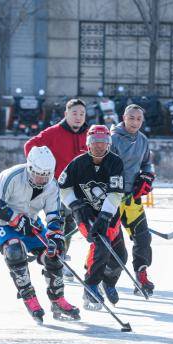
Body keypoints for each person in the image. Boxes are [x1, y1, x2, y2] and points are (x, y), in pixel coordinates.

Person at [0, 146, 79, 323]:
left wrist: (56, 236)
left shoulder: (52, 185)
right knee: (14, 250)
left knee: (54, 254)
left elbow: (53, 215)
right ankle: (28, 295)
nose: (42, 179)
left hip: (31, 222)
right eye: (38, 174)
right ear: (30, 168)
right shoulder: (11, 176)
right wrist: (15, 219)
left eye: (46, 175)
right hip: (2, 223)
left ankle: (57, 298)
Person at [58, 125, 127, 310]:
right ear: (88, 143)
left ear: (108, 144)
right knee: (101, 246)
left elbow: (115, 193)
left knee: (120, 257)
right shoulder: (77, 163)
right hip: (85, 214)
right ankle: (91, 285)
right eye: (95, 142)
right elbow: (63, 187)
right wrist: (74, 205)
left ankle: (109, 282)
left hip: (109, 215)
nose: (99, 146)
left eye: (103, 142)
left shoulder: (115, 163)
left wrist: (105, 216)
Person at [24, 98, 89, 280]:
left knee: (70, 224)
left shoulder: (89, 134)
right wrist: (39, 170)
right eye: (74, 113)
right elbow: (30, 146)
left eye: (82, 114)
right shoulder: (53, 133)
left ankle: (61, 256)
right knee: (57, 224)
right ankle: (53, 261)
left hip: (79, 190)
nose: (78, 117)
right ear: (66, 114)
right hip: (57, 187)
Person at [110, 104, 156, 297]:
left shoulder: (143, 140)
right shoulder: (112, 138)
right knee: (109, 242)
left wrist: (146, 176)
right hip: (111, 199)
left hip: (132, 199)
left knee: (143, 237)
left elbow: (147, 163)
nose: (135, 122)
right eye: (131, 118)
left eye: (138, 119)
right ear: (124, 118)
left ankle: (141, 272)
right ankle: (96, 274)